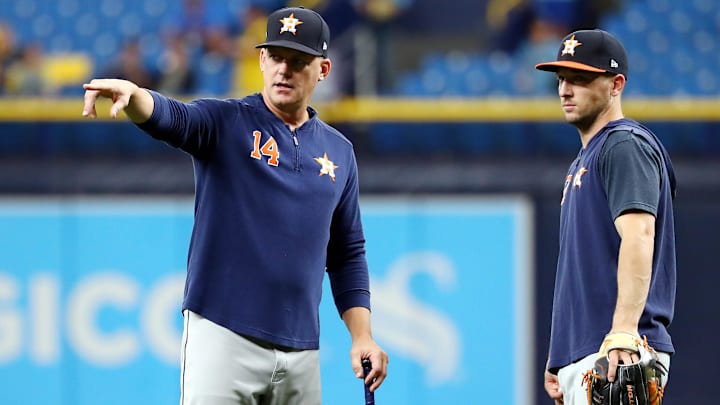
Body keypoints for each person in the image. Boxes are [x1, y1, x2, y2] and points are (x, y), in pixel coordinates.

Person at [82, 6, 388, 404]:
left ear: (323, 70)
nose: (284, 69)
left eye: (298, 61)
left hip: (302, 352)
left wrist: (361, 335)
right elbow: (175, 118)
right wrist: (137, 96)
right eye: (276, 57)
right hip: (224, 337)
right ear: (261, 59)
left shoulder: (339, 152)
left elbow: (347, 254)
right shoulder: (227, 122)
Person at [534, 29, 676, 404]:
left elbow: (640, 235)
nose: (565, 89)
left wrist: (625, 331)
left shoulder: (624, 144)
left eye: (580, 79)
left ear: (616, 84)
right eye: (561, 79)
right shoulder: (588, 156)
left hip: (617, 352)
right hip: (590, 350)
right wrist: (561, 356)